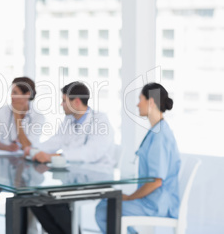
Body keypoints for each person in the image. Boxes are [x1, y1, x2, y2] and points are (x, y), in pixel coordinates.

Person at [25, 81, 115, 234]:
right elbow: (56, 141)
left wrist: (56, 156)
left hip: (95, 178)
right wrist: (34, 149)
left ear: (77, 102)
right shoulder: (69, 120)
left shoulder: (100, 120)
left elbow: (90, 153)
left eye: (64, 101)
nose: (61, 105)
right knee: (33, 198)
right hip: (72, 176)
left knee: (53, 199)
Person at [95, 82, 181, 234]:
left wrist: (130, 198)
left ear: (151, 101)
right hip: (153, 200)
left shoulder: (160, 136)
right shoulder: (157, 131)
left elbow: (156, 181)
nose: (137, 104)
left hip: (157, 204)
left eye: (140, 99)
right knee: (105, 206)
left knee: (105, 210)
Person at [0, 77, 45, 152]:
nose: (11, 96)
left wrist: (16, 115)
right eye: (11, 92)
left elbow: (27, 146)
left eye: (15, 93)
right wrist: (7, 148)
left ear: (27, 94)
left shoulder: (38, 117)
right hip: (4, 158)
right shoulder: (2, 111)